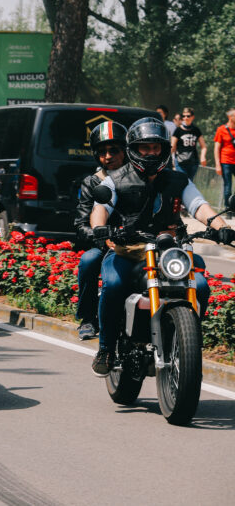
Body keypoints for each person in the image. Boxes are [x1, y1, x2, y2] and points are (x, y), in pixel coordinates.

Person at [89, 117, 235, 376]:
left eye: (156, 147)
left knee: (200, 286)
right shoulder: (115, 179)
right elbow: (100, 208)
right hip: (128, 250)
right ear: (134, 149)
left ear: (164, 149)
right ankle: (106, 349)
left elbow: (199, 206)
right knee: (113, 284)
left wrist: (221, 227)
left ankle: (187, 342)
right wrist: (100, 228)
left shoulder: (179, 180)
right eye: (145, 147)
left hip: (169, 251)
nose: (151, 153)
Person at [73, 121, 127, 340]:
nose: (108, 156)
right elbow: (81, 224)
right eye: (102, 152)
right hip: (104, 244)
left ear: (125, 151)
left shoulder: (138, 177)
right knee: (88, 261)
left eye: (114, 150)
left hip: (137, 242)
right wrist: (102, 236)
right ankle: (88, 318)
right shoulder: (92, 182)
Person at [171, 107, 206, 182]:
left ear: (192, 117)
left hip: (193, 161)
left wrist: (203, 157)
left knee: (190, 182)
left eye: (188, 116)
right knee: (183, 181)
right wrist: (170, 160)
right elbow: (172, 147)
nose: (185, 118)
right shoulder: (178, 130)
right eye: (183, 116)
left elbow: (203, 146)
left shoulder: (196, 130)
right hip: (180, 161)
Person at [214, 108, 235, 213]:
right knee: (228, 187)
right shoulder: (221, 129)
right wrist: (217, 164)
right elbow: (216, 148)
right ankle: (228, 209)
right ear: (230, 117)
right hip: (226, 162)